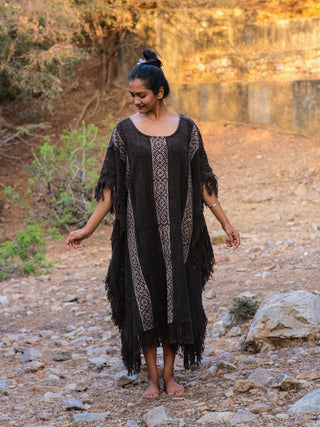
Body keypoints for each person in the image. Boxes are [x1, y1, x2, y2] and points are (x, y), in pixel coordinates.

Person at [66, 48, 240, 399]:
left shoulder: (187, 129)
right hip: (138, 235)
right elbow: (110, 187)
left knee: (176, 297)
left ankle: (171, 374)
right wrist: (88, 228)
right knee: (143, 301)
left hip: (181, 233)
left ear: (160, 92)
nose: (135, 101)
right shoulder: (123, 133)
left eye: (141, 95)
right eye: (131, 95)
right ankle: (151, 378)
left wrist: (226, 222)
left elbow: (202, 180)